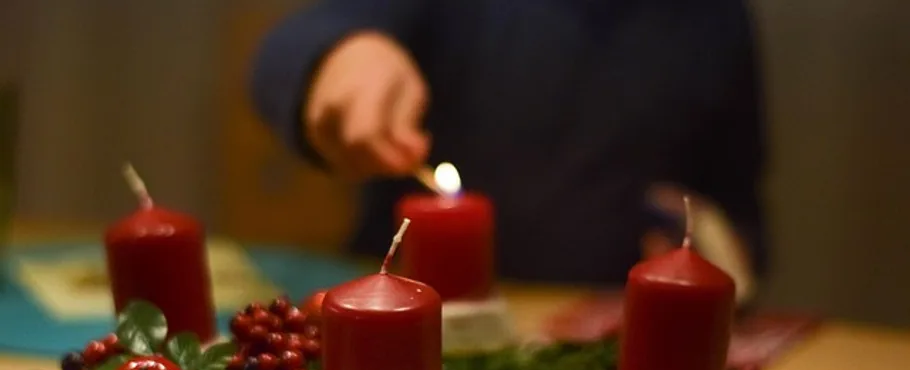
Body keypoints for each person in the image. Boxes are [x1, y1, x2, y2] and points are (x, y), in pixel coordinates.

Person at [250, 0, 766, 290]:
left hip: (603, 336)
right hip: (407, 315)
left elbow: (737, 199)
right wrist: (338, 56)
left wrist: (719, 247)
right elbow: (299, 41)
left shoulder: (713, 18)